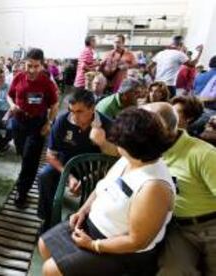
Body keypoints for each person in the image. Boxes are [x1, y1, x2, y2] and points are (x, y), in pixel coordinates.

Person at [39, 107, 176, 276]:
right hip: (92, 225)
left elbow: (137, 241)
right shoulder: (129, 160)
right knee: (44, 244)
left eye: (118, 142)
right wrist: (83, 211)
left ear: (131, 146)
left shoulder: (154, 187)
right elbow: (101, 187)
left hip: (121, 251)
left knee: (51, 270)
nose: (115, 144)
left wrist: (93, 245)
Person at [142, 102, 216, 276]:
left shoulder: (203, 154)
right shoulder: (149, 151)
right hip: (179, 228)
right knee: (171, 272)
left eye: (144, 125)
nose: (139, 130)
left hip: (212, 225)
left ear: (165, 130)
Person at [37, 89, 112, 232]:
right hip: (65, 166)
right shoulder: (62, 121)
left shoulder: (106, 125)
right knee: (44, 176)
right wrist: (68, 176)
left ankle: (85, 224)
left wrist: (88, 178)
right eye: (72, 111)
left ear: (92, 108)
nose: (74, 116)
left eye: (80, 112)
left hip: (94, 171)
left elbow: (114, 162)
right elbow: (50, 155)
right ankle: (48, 218)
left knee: (102, 190)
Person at [7, 48, 59, 208]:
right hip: (18, 123)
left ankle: (22, 192)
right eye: (29, 65)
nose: (32, 70)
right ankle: (26, 178)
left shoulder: (46, 82)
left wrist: (49, 123)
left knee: (30, 159)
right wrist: (12, 105)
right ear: (24, 63)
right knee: (24, 155)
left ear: (42, 65)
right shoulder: (18, 77)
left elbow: (55, 104)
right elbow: (9, 95)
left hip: (37, 124)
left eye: (36, 66)